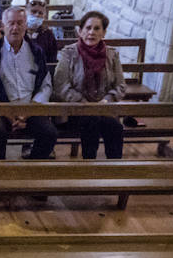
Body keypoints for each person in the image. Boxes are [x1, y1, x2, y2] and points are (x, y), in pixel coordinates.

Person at [0, 6, 58, 160]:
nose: (15, 28)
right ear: (3, 26)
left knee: (49, 133)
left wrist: (28, 111)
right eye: (11, 23)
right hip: (0, 107)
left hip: (30, 107)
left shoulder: (36, 52)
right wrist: (7, 113)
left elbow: (45, 85)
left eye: (20, 23)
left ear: (26, 25)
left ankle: (32, 168)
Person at [53, 10, 125, 160]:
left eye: (97, 28)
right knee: (91, 122)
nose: (91, 32)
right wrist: (83, 102)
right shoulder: (69, 53)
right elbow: (61, 85)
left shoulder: (112, 55)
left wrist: (107, 100)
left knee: (115, 127)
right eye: (88, 28)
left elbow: (120, 85)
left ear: (104, 32)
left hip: (103, 108)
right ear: (80, 31)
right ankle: (89, 165)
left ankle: (115, 168)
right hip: (75, 109)